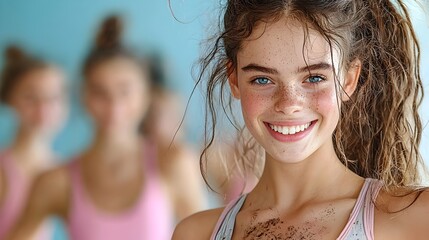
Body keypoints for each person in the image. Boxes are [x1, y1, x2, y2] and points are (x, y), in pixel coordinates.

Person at [173, 0, 429, 239]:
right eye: (262, 79)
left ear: (349, 80)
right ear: (234, 80)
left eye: (315, 78)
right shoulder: (196, 233)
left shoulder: (416, 218)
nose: (288, 105)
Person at [7, 15, 201, 240]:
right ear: (84, 96)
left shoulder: (174, 163)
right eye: (100, 92)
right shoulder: (56, 181)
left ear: (146, 95)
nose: (114, 106)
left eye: (125, 91)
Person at [0, 46, 67, 239]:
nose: (43, 110)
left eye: (53, 98)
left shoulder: (60, 166)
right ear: (9, 98)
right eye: (30, 98)